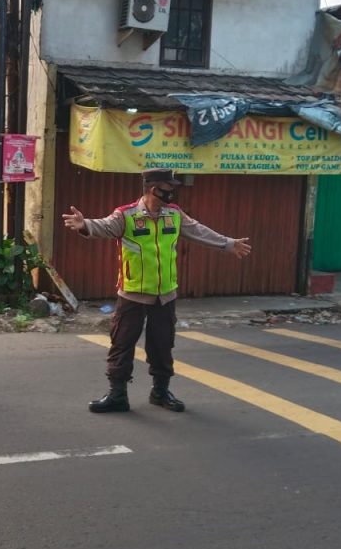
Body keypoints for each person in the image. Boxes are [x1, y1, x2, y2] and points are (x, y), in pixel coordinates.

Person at [62, 168, 252, 413]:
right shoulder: (126, 215)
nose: (172, 193)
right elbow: (104, 227)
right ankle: (117, 395)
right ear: (154, 189)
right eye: (168, 188)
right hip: (133, 293)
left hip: (165, 295)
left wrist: (228, 244)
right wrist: (83, 224)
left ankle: (160, 392)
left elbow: (198, 231)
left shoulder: (174, 215)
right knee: (122, 344)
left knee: (162, 345)